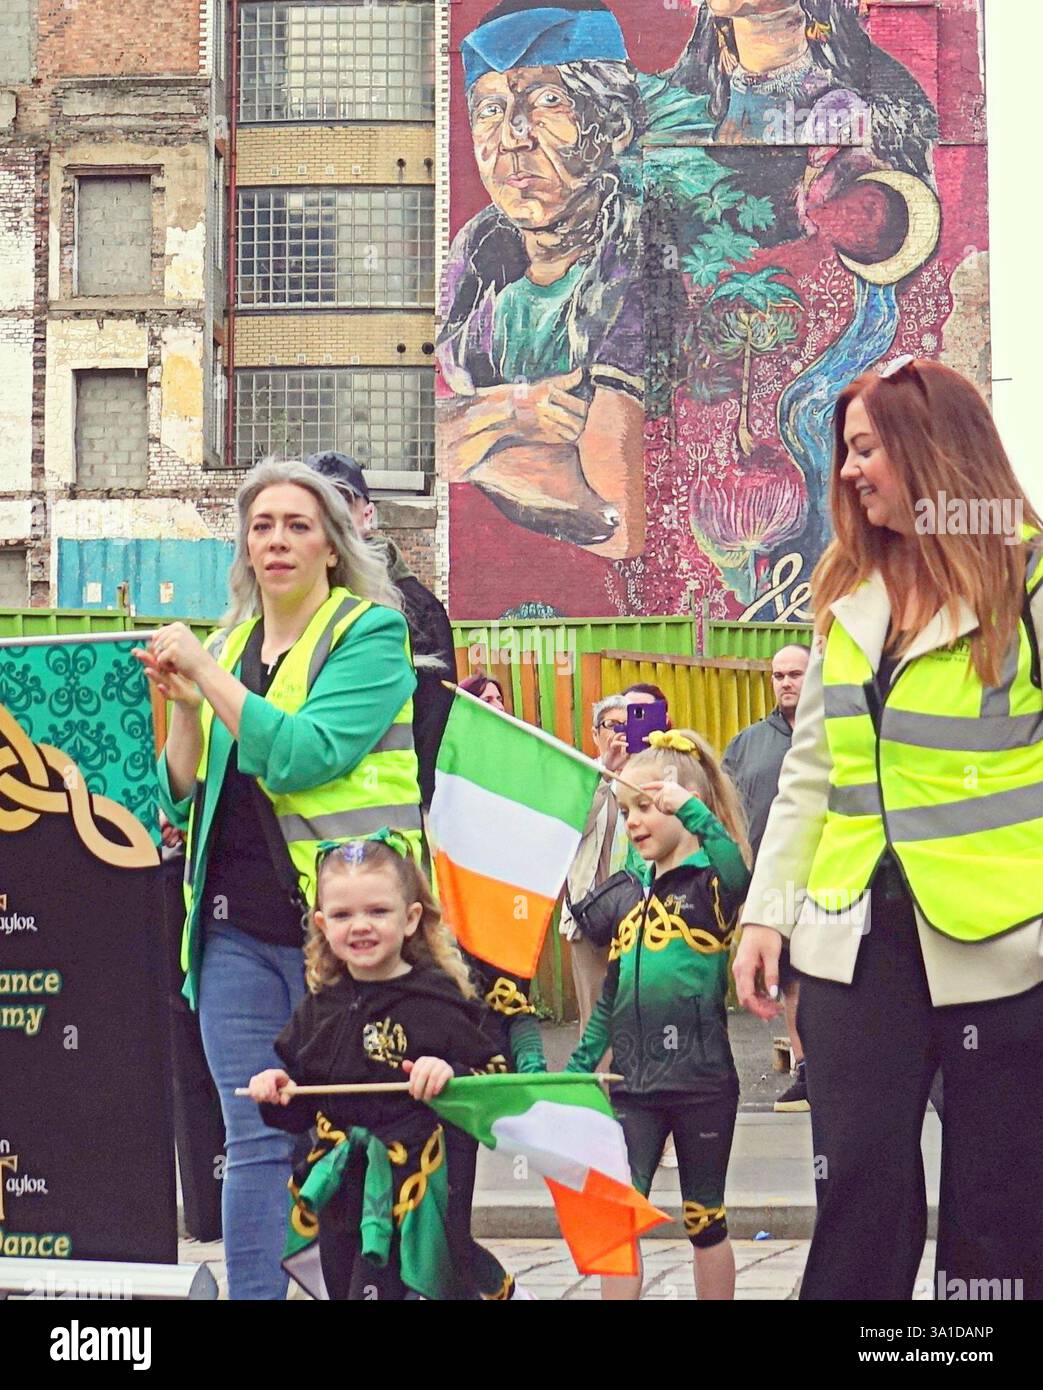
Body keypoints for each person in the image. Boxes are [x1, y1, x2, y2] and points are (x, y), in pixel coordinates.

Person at [733, 358, 1043, 1301]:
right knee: (858, 1186)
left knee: (1001, 1208)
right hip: (851, 948)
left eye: (865, 450)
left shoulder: (1027, 581)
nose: (847, 474)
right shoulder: (844, 598)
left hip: (1006, 949)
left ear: (930, 451)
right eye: (845, 454)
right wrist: (765, 915)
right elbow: (811, 776)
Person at [137, 459, 423, 1300]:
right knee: (254, 1136)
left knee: (363, 1130)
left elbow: (303, 756)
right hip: (229, 927)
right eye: (262, 526)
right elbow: (180, 795)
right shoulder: (227, 647)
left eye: (298, 525)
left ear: (332, 546)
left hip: (341, 933)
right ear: (245, 547)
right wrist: (186, 711)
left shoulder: (369, 632)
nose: (278, 540)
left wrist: (211, 678)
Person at [248, 834, 523, 1301]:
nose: (360, 926)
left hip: (422, 1187)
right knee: (347, 1285)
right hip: (345, 1193)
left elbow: (493, 1079)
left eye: (377, 912)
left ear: (411, 917)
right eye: (342, 915)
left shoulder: (438, 999)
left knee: (418, 1282)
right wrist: (277, 1091)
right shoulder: (319, 1010)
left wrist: (448, 1072)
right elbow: (298, 1109)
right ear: (321, 924)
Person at [567, 729, 751, 1300]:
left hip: (701, 1085)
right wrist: (575, 1070)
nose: (634, 822)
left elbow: (738, 867)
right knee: (617, 1219)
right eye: (626, 811)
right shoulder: (629, 897)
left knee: (704, 1220)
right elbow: (610, 1002)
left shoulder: (713, 886)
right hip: (633, 1086)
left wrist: (694, 812)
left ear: (681, 804)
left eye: (647, 807)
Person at [306, 451, 456, 813]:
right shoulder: (286, 607)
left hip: (382, 821)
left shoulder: (416, 610)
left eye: (341, 500)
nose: (330, 516)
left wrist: (418, 814)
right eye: (316, 502)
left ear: (367, 515)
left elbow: (431, 728)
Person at [722, 642, 810, 1111]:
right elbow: (725, 810)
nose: (787, 682)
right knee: (790, 979)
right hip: (770, 884)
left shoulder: (833, 734)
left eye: (796, 673)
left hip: (833, 881)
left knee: (834, 978)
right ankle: (806, 1070)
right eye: (779, 675)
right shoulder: (748, 744)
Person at [561, 693, 630, 1029]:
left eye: (627, 725)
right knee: (597, 1020)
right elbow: (575, 825)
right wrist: (606, 772)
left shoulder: (648, 776)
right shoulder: (581, 776)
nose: (619, 733)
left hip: (637, 914)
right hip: (589, 916)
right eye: (611, 725)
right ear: (594, 733)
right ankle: (601, 1083)